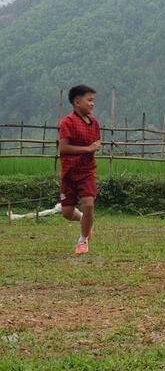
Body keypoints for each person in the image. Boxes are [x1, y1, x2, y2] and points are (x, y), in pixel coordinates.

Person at [58, 85, 102, 255]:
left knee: (88, 204)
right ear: (77, 102)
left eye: (93, 101)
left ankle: (83, 240)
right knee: (67, 212)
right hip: (69, 173)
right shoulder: (67, 122)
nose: (92, 104)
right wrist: (88, 149)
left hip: (87, 172)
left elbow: (94, 144)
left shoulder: (94, 123)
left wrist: (92, 148)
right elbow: (63, 149)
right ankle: (85, 221)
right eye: (89, 100)